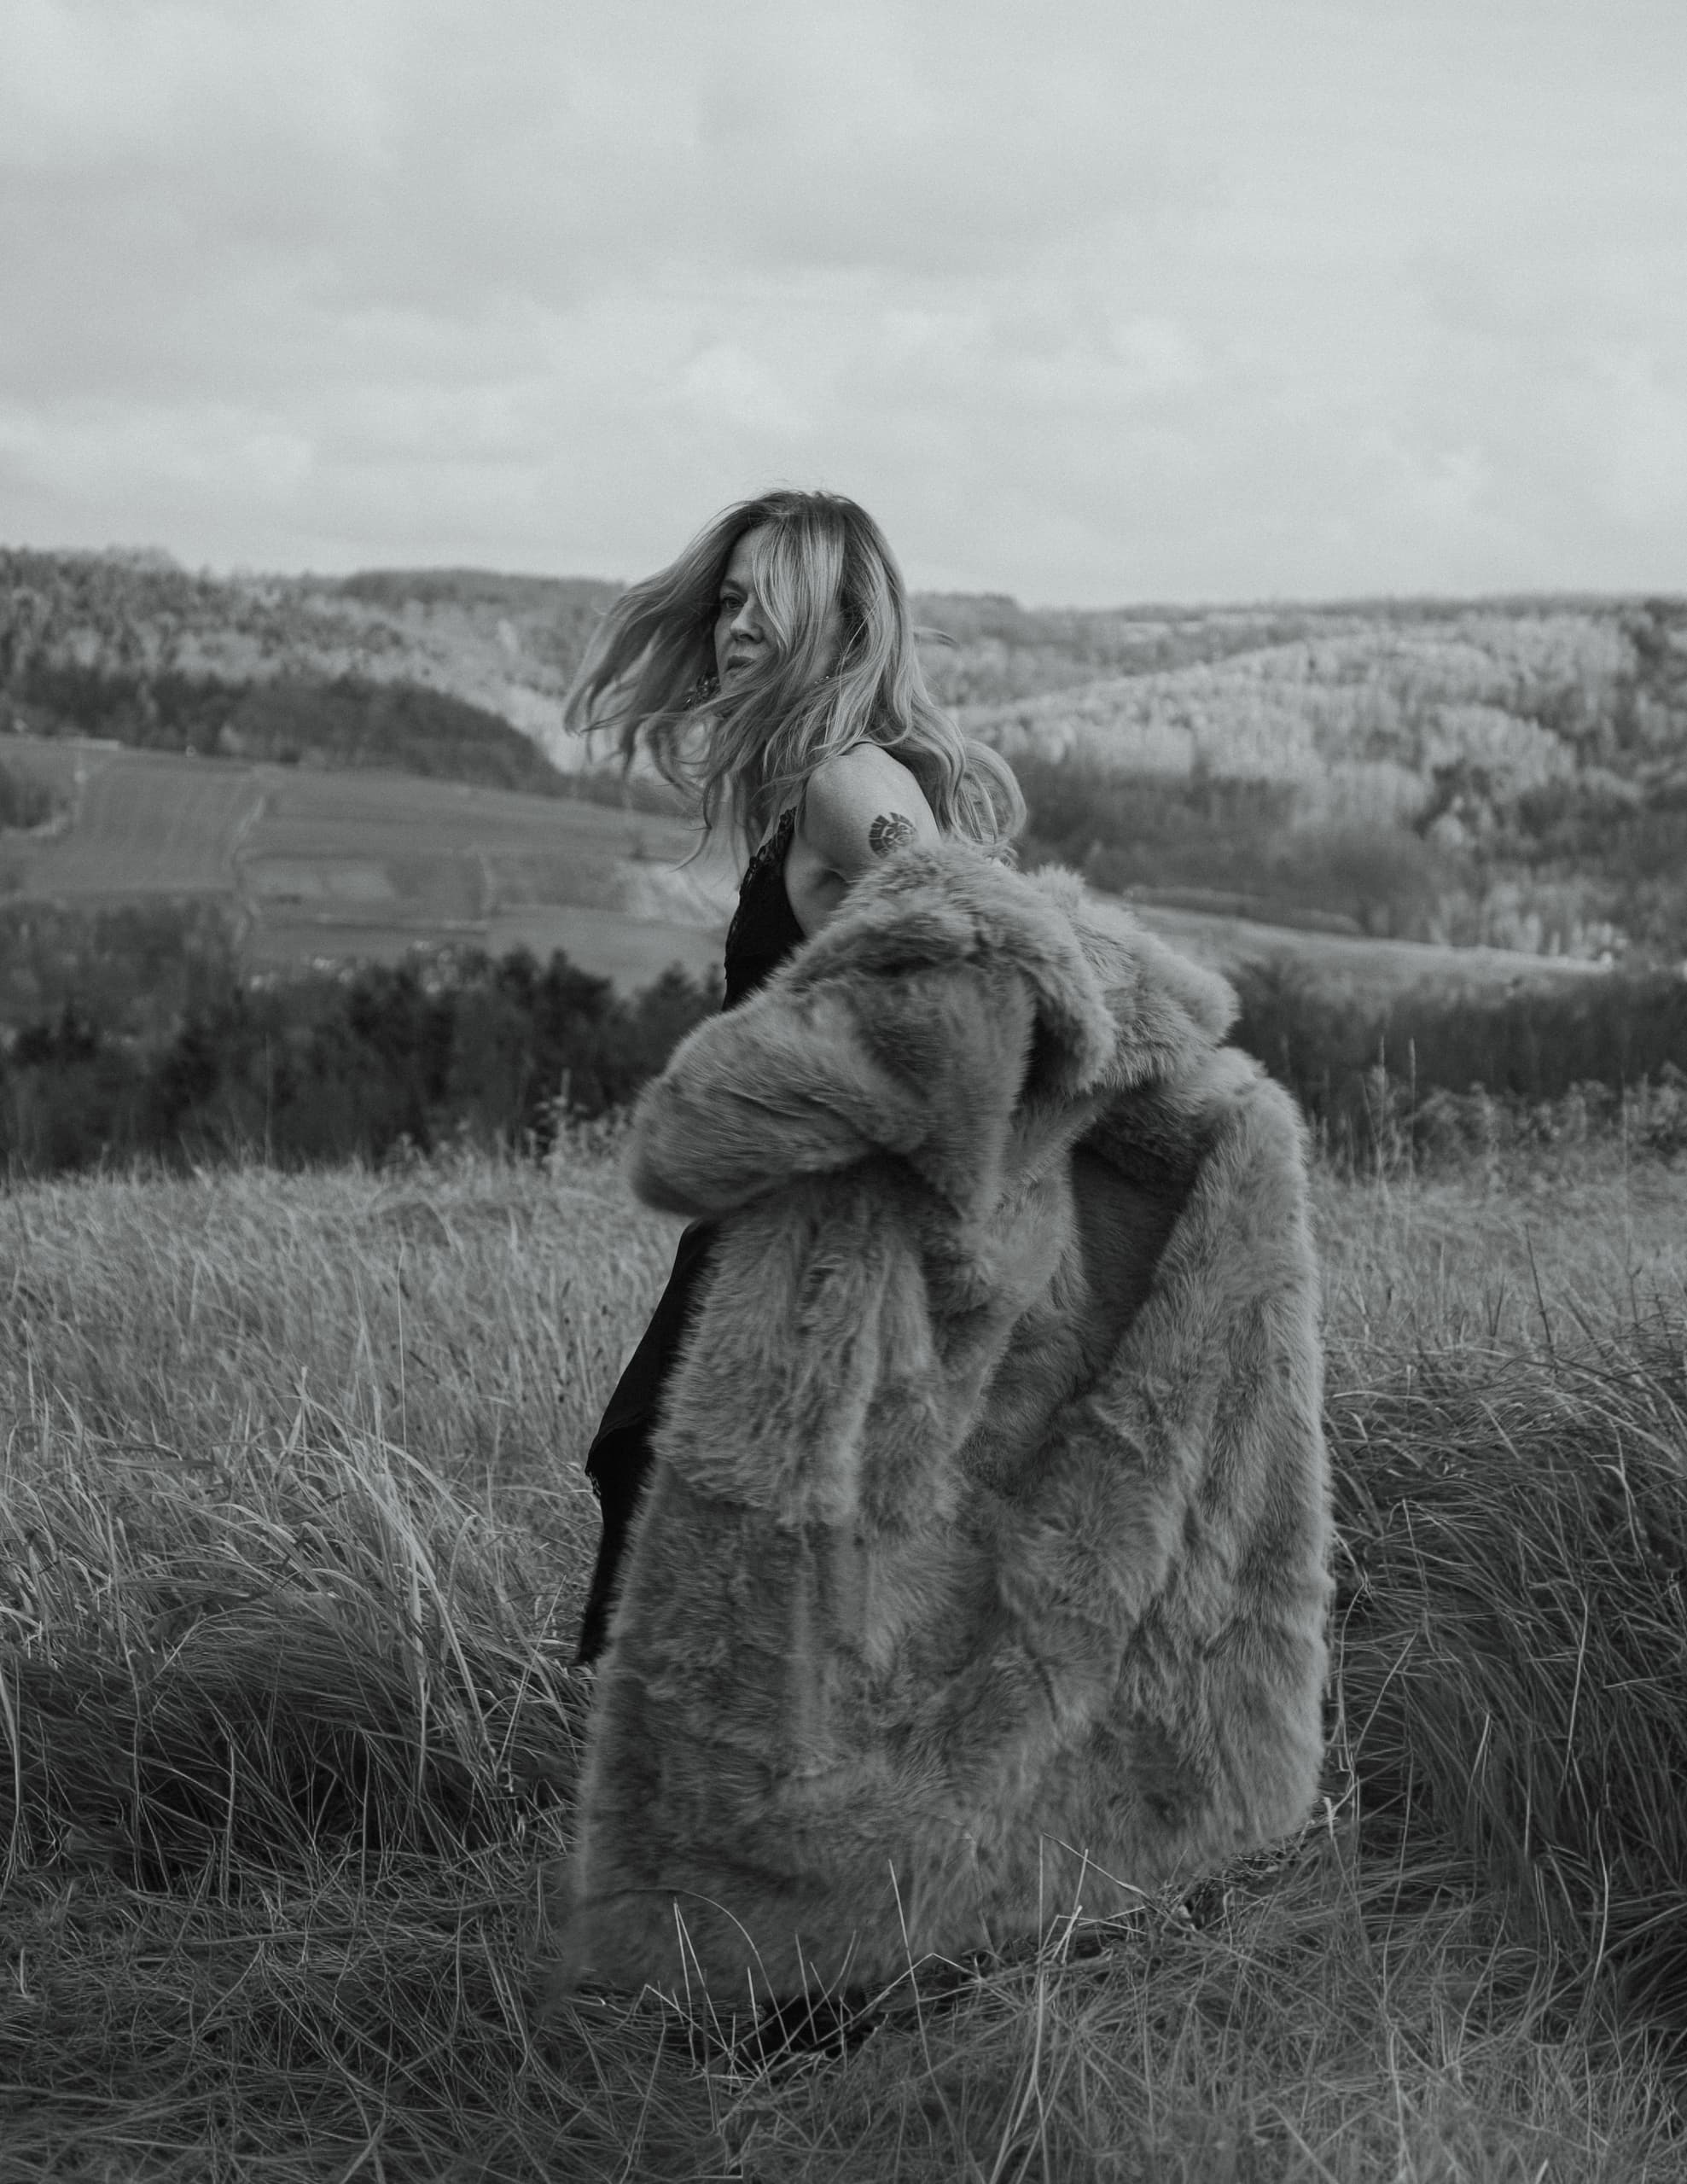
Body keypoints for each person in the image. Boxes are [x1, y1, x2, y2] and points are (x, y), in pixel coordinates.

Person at [562, 488, 1023, 1662]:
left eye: (774, 601)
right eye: (730, 601)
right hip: (769, 1227)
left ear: (842, 624)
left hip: (810, 1240)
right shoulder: (812, 788)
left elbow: (978, 972)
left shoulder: (847, 786)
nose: (740, 627)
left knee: (708, 1533)